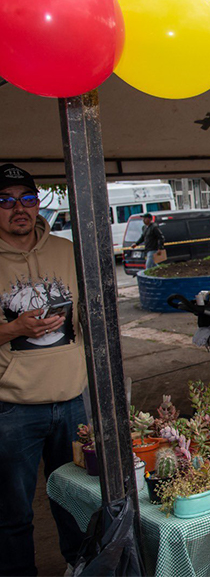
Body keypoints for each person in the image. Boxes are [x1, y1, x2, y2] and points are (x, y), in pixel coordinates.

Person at [0, 164, 87, 575]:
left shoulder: (66, 250)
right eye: (5, 201)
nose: (19, 208)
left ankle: (81, 566)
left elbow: (91, 316)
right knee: (13, 513)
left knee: (77, 500)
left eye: (27, 198)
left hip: (72, 400)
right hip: (12, 407)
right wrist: (15, 328)